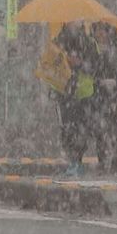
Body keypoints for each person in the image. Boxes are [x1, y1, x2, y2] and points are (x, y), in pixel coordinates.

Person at [40, 20, 102, 178]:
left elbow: (95, 65)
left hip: (83, 91)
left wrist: (80, 64)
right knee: (67, 126)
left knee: (81, 127)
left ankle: (77, 160)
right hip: (64, 90)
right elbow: (50, 65)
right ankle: (72, 160)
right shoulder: (57, 42)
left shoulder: (88, 42)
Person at [90, 22, 117, 174]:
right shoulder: (91, 49)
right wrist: (100, 82)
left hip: (114, 95)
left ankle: (116, 161)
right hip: (98, 95)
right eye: (98, 30)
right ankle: (102, 161)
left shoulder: (116, 50)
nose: (100, 34)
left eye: (103, 30)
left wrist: (116, 81)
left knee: (114, 128)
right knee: (99, 129)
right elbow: (89, 75)